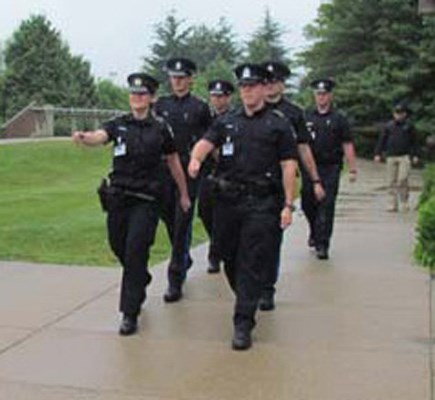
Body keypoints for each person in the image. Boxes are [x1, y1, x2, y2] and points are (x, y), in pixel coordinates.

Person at [188, 63, 299, 350]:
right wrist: (196, 159)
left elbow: (289, 165)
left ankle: (243, 322)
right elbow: (205, 141)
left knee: (251, 259)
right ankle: (247, 294)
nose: (248, 92)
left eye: (253, 86)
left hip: (262, 203)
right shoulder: (228, 121)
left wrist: (288, 204)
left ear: (263, 88)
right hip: (227, 203)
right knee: (227, 256)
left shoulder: (278, 123)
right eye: (244, 87)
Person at [72, 73, 190, 336]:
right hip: (119, 198)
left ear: (151, 98)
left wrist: (183, 194)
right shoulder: (119, 124)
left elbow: (173, 161)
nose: (137, 98)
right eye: (134, 94)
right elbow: (100, 136)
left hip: (146, 200)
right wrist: (84, 137)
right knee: (118, 245)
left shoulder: (161, 128)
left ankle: (130, 312)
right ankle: (141, 277)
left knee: (136, 250)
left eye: (142, 94)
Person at [259, 61, 326, 311]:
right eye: (265, 82)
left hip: (278, 183)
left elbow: (303, 147)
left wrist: (315, 178)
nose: (269, 86)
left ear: (282, 84)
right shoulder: (250, 109)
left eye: (274, 81)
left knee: (271, 238)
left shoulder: (293, 113)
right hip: (249, 182)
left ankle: (267, 288)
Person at [154, 57, 212, 302]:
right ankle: (184, 257)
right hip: (164, 172)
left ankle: (175, 279)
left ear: (190, 79)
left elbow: (209, 138)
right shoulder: (161, 106)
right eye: (173, 78)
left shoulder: (199, 107)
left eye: (181, 78)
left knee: (181, 223)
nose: (177, 82)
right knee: (170, 220)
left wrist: (201, 164)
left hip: (188, 172)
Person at [302, 78, 357, 260]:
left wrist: (352, 168)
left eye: (324, 94)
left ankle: (323, 243)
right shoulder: (307, 116)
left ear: (330, 95)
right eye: (318, 94)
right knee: (308, 203)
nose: (321, 97)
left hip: (330, 167)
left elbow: (347, 143)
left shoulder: (339, 118)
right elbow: (300, 143)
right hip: (310, 167)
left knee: (326, 205)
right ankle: (314, 230)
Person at [198, 79, 235, 273]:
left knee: (222, 215)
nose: (216, 100)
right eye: (214, 96)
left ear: (229, 97)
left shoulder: (233, 118)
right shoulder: (206, 117)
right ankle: (217, 243)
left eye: (220, 96)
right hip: (207, 171)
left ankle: (215, 254)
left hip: (227, 172)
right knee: (204, 211)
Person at [374, 103, 419, 212]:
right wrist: (378, 153)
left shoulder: (409, 126)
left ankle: (404, 202)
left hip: (404, 156)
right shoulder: (389, 126)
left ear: (404, 114)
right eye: (396, 113)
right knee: (391, 181)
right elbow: (382, 140)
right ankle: (392, 203)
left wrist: (415, 155)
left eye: (401, 113)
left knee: (402, 179)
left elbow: (415, 142)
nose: (398, 115)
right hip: (391, 156)